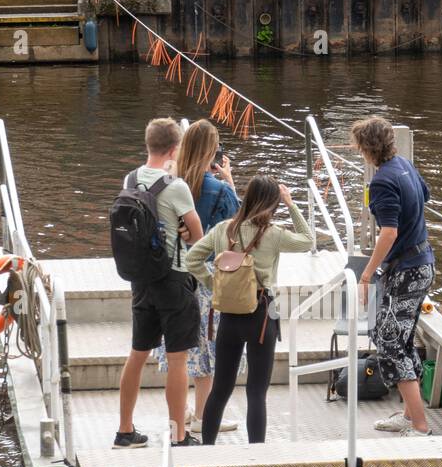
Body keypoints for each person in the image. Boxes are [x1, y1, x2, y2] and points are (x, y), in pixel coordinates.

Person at [184, 176, 313, 445]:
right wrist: (291, 204)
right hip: (263, 315)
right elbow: (307, 241)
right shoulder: (274, 234)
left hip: (229, 315)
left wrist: (213, 283)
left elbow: (192, 257)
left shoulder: (223, 230)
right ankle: (258, 453)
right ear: (272, 203)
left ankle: (207, 448)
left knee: (220, 388)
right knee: (256, 392)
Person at [115, 118, 203, 448]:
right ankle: (179, 435)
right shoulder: (176, 186)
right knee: (177, 359)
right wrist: (183, 230)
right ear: (173, 149)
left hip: (141, 280)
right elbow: (198, 235)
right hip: (173, 279)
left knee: (137, 354)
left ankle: (125, 431)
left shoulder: (130, 178)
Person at [155, 120, 241, 433]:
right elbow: (238, 230)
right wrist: (230, 181)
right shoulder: (217, 190)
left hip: (173, 277)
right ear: (212, 152)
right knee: (208, 352)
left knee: (179, 354)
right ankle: (204, 417)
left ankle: (180, 415)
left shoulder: (169, 184)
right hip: (206, 277)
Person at [351, 116, 435, 437]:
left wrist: (366, 275)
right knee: (400, 337)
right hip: (422, 262)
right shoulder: (404, 165)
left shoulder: (382, 181)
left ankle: (421, 426)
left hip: (407, 271)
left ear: (367, 148)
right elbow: (424, 195)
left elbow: (388, 232)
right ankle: (408, 414)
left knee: (390, 340)